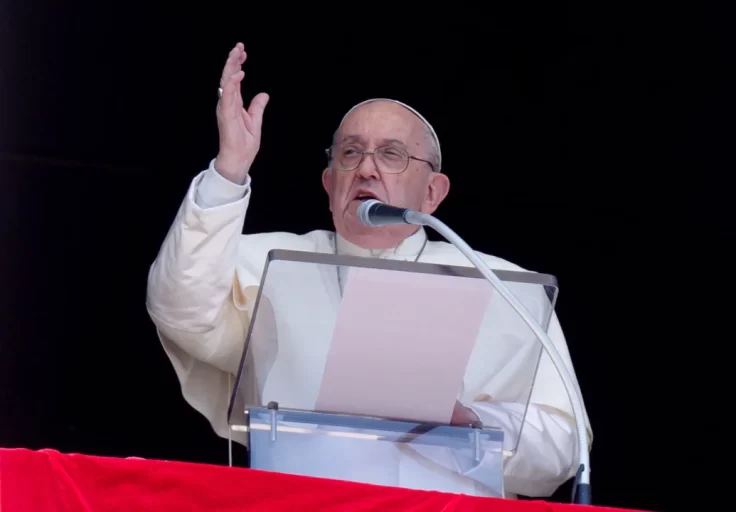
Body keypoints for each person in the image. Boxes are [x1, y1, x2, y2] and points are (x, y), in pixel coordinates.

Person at [146, 42, 592, 499]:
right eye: (350, 154)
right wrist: (230, 170)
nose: (367, 170)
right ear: (329, 183)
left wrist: (471, 424)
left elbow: (563, 448)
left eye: (392, 155)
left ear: (433, 193)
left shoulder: (499, 283)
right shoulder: (266, 262)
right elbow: (181, 310)